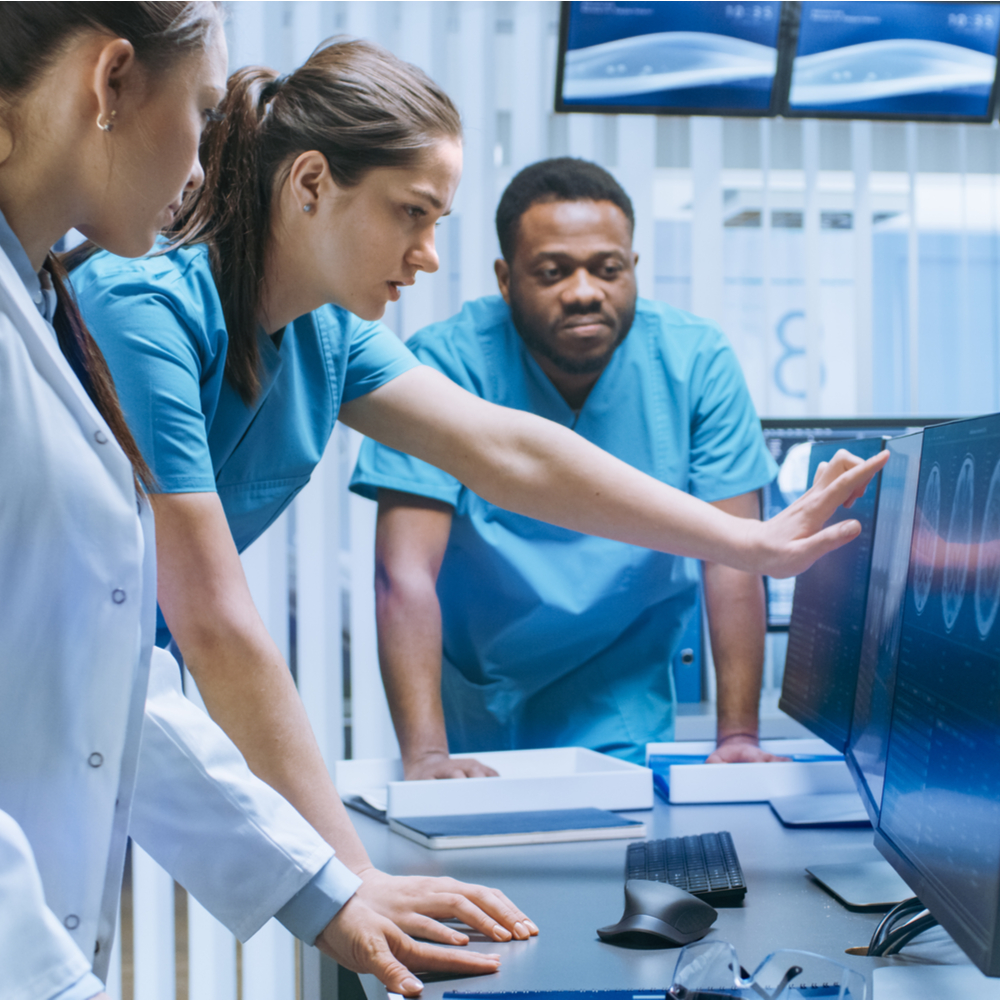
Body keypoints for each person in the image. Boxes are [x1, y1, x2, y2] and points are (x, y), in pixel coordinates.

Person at [69, 31, 881, 977]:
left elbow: (508, 449)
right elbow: (212, 620)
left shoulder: (323, 334)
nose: (426, 255)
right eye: (411, 213)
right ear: (311, 184)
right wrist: (354, 877)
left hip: (116, 693)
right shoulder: (143, 311)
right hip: (58, 681)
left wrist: (751, 543)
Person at [0, 7, 526, 999]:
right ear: (112, 83)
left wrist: (327, 890)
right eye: (201, 111)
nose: (205, 164)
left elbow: (110, 665)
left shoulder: (41, 305)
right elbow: (202, 626)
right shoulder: (132, 302)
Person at [350, 158, 787, 774]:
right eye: (553, 272)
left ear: (634, 268)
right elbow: (404, 574)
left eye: (608, 269)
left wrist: (738, 735)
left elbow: (736, 559)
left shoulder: (695, 362)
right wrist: (425, 754)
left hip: (622, 698)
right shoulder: (445, 364)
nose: (585, 291)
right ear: (506, 279)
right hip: (483, 701)